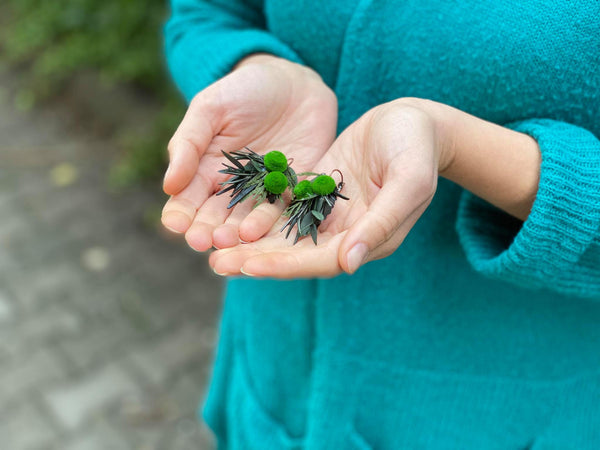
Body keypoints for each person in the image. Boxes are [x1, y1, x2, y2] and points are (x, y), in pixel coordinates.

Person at [162, 0, 600, 448]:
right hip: (270, 372)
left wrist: (458, 146)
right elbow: (208, 14)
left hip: (503, 417)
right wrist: (254, 62)